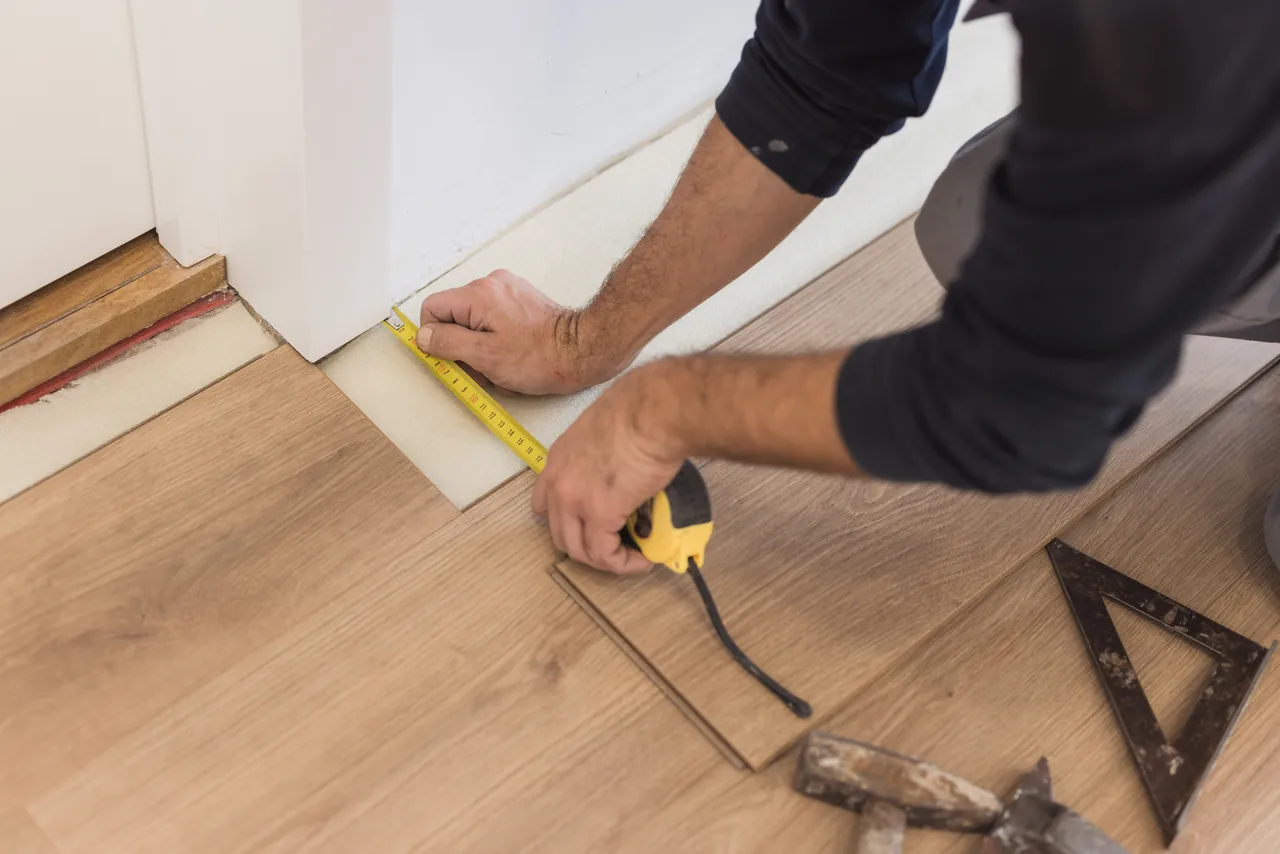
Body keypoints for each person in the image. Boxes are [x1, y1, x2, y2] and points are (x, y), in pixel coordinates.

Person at [415, 0, 1280, 575]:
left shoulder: (1184, 33)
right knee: (981, 216)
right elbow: (821, 77)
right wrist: (585, 342)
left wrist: (662, 409)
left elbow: (1022, 403)